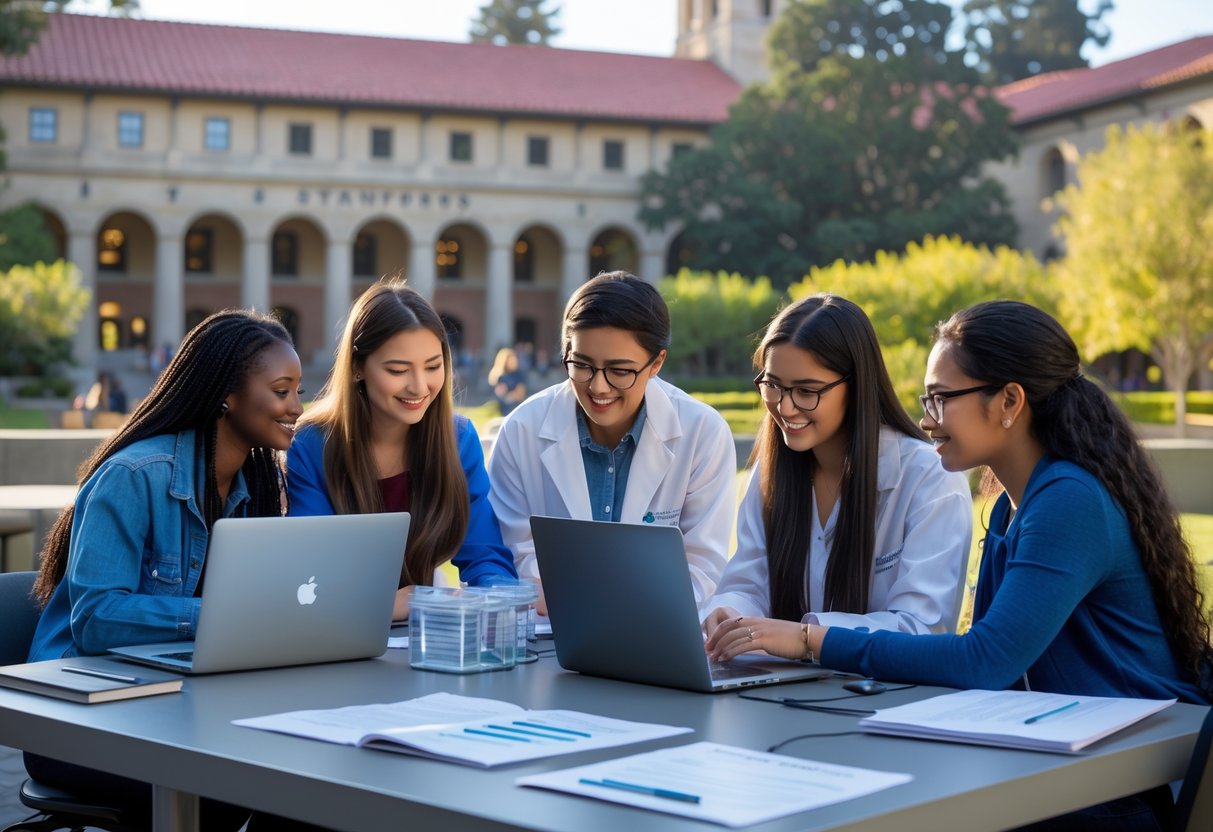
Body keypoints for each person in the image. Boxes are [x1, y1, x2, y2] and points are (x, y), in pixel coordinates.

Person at [708, 300, 1213, 831]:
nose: (926, 419)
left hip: (1124, 784)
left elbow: (985, 660)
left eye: (942, 399)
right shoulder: (1007, 507)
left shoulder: (1070, 501)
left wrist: (809, 640)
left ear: (1010, 401)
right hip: (1065, 760)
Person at [25, 309, 306, 831]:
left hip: (174, 707)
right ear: (227, 394)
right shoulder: (133, 476)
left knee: (302, 778)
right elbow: (97, 618)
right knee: (238, 785)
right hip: (78, 722)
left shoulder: (256, 488)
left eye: (298, 391)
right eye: (282, 390)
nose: (296, 406)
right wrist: (220, 616)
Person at [700, 293, 972, 640]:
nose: (784, 407)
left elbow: (922, 626)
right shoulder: (771, 472)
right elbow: (749, 584)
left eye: (806, 391)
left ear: (856, 386)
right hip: (781, 685)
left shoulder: (930, 481)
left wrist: (803, 638)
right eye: (773, 385)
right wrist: (729, 610)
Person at [488, 271, 736, 614]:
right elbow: (514, 555)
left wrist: (620, 611)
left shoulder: (703, 434)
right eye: (582, 365)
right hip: (548, 634)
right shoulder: (522, 430)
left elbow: (701, 569)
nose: (598, 387)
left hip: (656, 631)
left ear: (656, 363)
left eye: (620, 370)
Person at [287, 281, 517, 620]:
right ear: (357, 367)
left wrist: (498, 599)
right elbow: (308, 575)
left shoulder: (458, 439)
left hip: (420, 634)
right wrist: (386, 604)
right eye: (397, 370)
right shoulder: (312, 445)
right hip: (335, 633)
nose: (419, 386)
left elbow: (484, 554)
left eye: (433, 366)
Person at [488, 346, 528, 416]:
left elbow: (520, 394)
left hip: (514, 408)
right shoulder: (497, 375)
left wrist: (509, 396)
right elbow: (498, 393)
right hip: (498, 409)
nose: (513, 362)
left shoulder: (518, 375)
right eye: (511, 360)